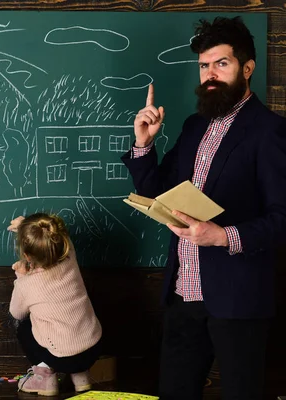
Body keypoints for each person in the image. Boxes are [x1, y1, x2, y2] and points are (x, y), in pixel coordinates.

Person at [121, 16, 286, 400]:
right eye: (204, 65)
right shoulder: (195, 125)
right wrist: (144, 144)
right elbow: (157, 189)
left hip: (238, 300)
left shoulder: (270, 131)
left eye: (221, 63)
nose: (210, 74)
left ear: (247, 68)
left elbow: (283, 219)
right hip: (183, 293)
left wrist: (222, 235)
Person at [7, 213, 103, 396]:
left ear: (26, 256)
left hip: (61, 359)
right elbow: (58, 239)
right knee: (70, 324)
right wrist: (24, 227)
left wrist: (21, 276)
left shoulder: (27, 284)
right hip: (93, 349)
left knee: (23, 327)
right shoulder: (70, 258)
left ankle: (45, 378)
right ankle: (81, 377)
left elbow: (16, 313)